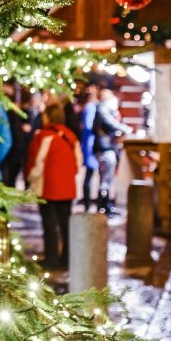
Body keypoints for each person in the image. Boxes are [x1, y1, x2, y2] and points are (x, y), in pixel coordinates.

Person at [27, 102, 82, 269]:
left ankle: (51, 259)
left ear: (48, 116)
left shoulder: (43, 136)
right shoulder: (71, 135)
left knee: (49, 224)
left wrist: (30, 178)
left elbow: (37, 163)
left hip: (48, 187)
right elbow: (78, 162)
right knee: (65, 224)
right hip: (67, 187)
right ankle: (67, 258)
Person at [93, 88, 130, 215]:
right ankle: (103, 206)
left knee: (106, 178)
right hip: (105, 148)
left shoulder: (103, 109)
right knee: (106, 179)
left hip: (106, 147)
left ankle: (106, 205)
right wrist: (125, 129)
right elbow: (110, 123)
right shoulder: (103, 108)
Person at [78, 83, 100, 211]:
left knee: (89, 175)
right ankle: (87, 202)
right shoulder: (91, 107)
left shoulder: (91, 107)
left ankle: (88, 201)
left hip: (89, 143)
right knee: (89, 175)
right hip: (89, 144)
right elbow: (87, 126)